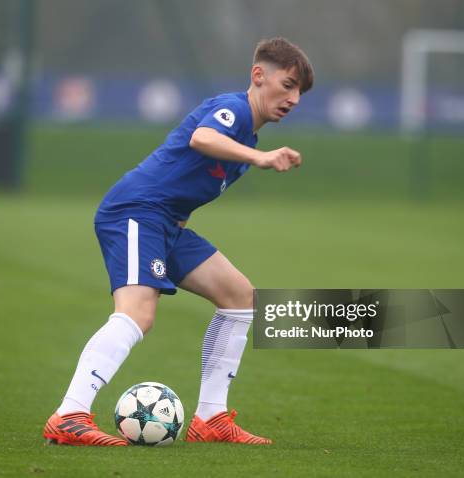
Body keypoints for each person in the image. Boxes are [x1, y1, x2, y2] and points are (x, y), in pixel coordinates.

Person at [43, 37, 314, 446]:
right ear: (259, 76)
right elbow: (202, 138)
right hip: (135, 211)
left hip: (166, 224)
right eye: (288, 84)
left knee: (241, 297)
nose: (293, 99)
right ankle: (70, 414)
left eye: (300, 92)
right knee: (138, 313)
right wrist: (259, 158)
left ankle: (211, 419)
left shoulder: (247, 134)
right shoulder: (235, 111)